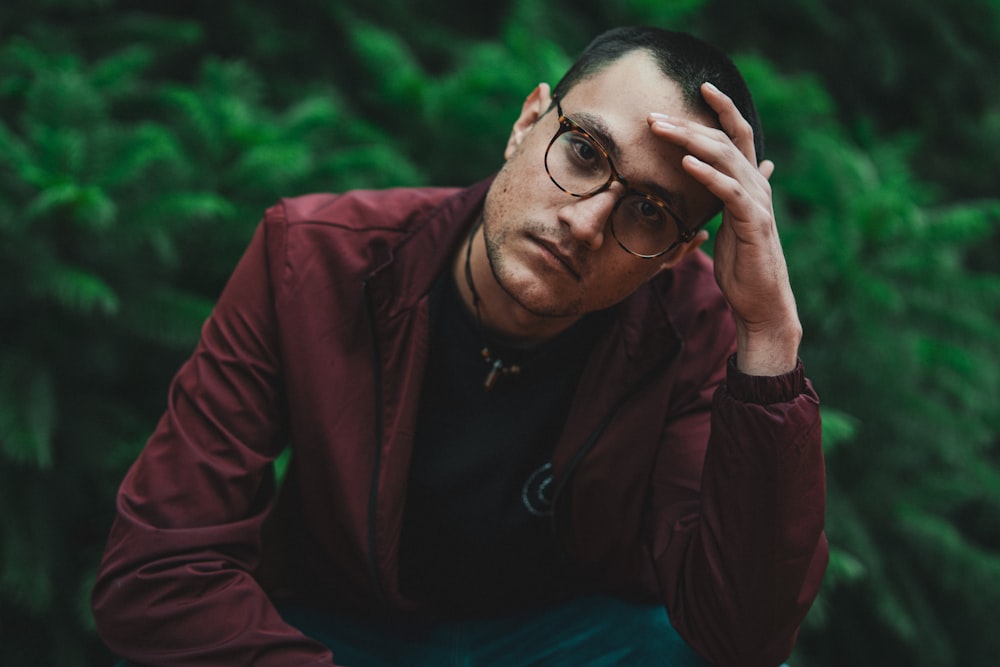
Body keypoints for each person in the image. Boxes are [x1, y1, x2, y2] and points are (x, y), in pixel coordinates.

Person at [92, 26, 827, 667]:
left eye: (646, 211)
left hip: (567, 642)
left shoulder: (695, 325)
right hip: (339, 637)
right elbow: (160, 568)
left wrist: (768, 338)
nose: (584, 221)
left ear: (675, 254)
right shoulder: (311, 262)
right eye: (581, 151)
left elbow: (743, 638)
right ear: (527, 122)